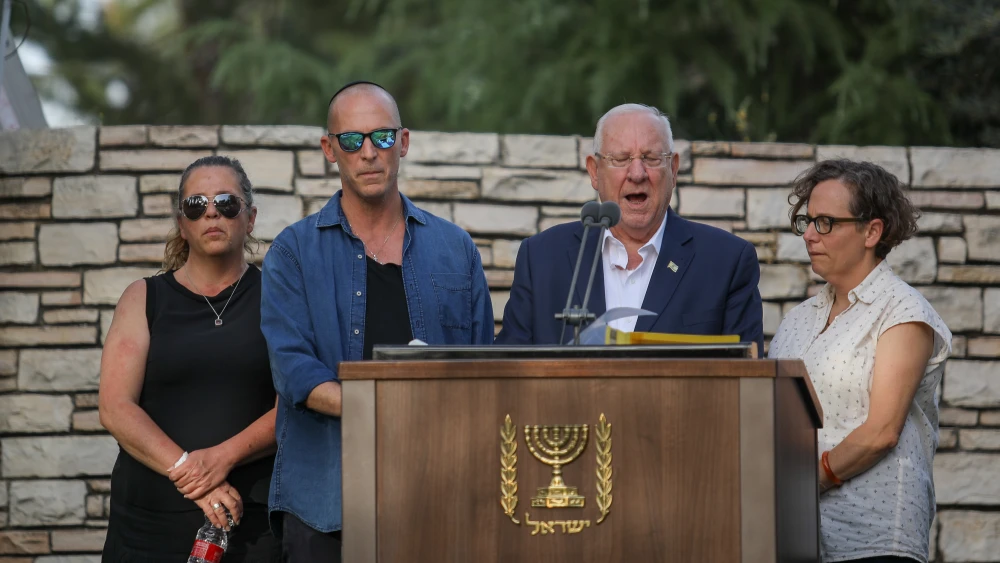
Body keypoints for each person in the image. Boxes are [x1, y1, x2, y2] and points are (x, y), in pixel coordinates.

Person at [260, 81, 494, 561]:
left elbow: (481, 366)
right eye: (352, 140)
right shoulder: (293, 252)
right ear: (330, 150)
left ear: (403, 142)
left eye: (382, 137)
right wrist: (383, 409)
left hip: (435, 496)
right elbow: (293, 371)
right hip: (325, 503)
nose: (368, 152)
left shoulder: (456, 248)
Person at [768, 159, 951, 563]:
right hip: (792, 536)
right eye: (808, 221)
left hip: (874, 539)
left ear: (872, 231)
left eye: (826, 222)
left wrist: (805, 480)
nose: (810, 235)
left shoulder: (903, 312)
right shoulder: (797, 320)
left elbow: (882, 432)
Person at [99, 156, 280, 562]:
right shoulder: (143, 298)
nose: (212, 211)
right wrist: (195, 475)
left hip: (248, 521)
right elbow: (115, 407)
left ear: (249, 218)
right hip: (147, 523)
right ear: (183, 223)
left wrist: (221, 458)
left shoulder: (280, 298)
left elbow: (295, 400)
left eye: (226, 203)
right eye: (196, 204)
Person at [495, 103, 763, 352]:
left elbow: (749, 384)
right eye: (621, 159)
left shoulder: (726, 262)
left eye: (651, 158)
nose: (637, 173)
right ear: (594, 172)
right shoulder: (541, 258)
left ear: (674, 169)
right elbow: (508, 375)